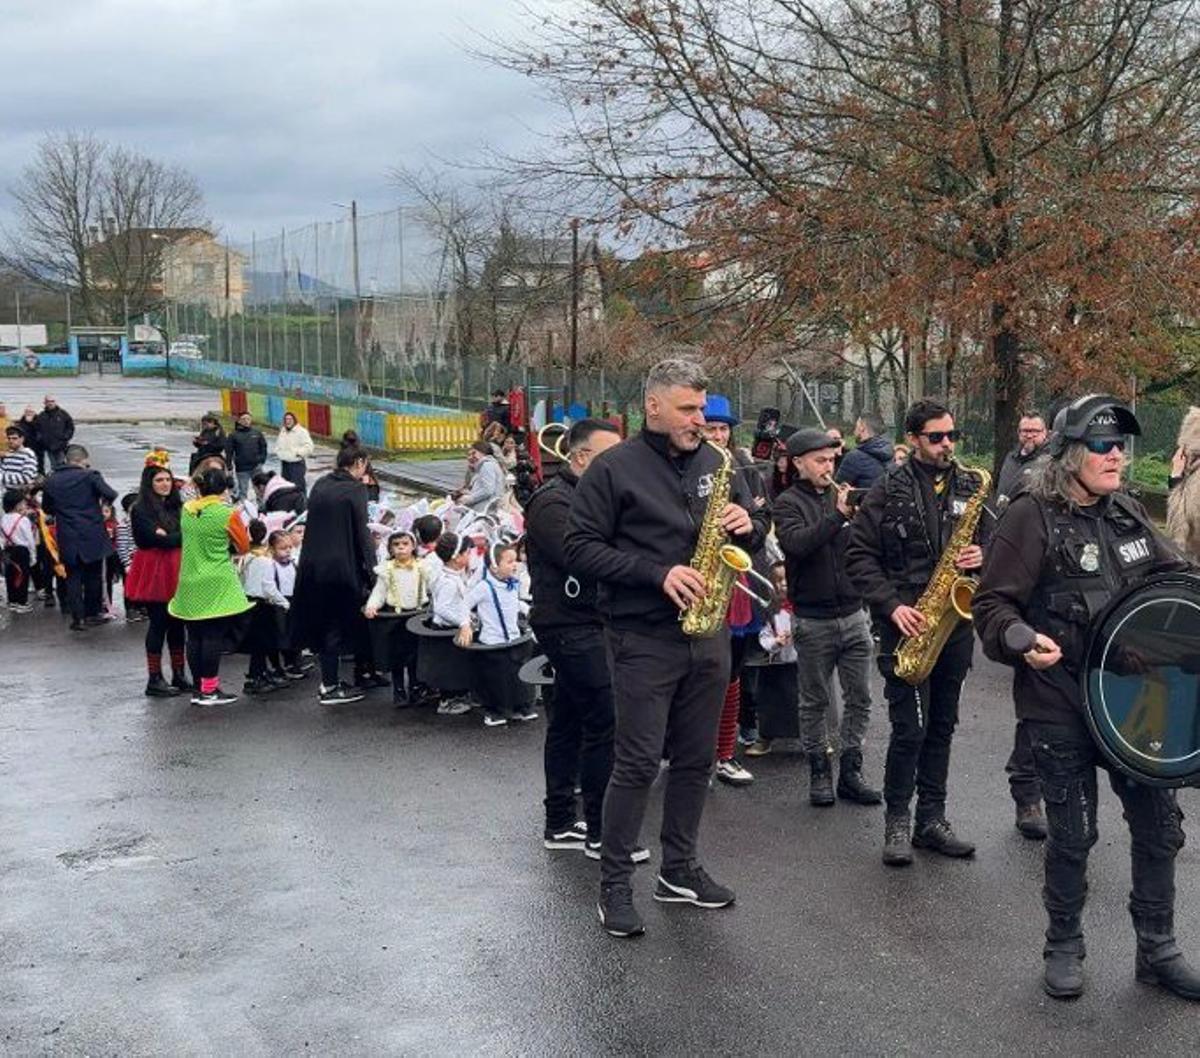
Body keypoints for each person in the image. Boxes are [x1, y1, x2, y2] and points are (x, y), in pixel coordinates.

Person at [973, 394, 1200, 1002]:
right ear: (1071, 454)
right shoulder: (1031, 515)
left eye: (1122, 446)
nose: (1116, 456)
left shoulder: (1126, 510)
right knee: (1072, 835)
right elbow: (990, 606)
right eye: (1103, 445)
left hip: (1132, 702)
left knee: (1159, 830)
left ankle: (1158, 949)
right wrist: (1021, 639)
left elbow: (1172, 583)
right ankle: (1064, 946)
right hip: (1060, 700)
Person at [566, 357, 769, 939]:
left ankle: (679, 870)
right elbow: (579, 547)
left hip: (707, 634)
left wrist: (745, 525)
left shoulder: (717, 461)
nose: (699, 420)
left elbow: (756, 535)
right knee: (636, 763)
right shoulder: (613, 468)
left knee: (697, 758)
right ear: (652, 405)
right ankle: (613, 887)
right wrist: (657, 574)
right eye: (687, 408)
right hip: (643, 634)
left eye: (702, 408)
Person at [845, 398, 988, 866]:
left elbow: (996, 544)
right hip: (905, 623)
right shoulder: (886, 488)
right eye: (936, 437)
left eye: (952, 436)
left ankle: (932, 818)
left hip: (954, 624)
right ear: (913, 439)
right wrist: (893, 606)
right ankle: (898, 821)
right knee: (910, 729)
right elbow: (859, 558)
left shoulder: (970, 483)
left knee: (943, 726)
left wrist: (981, 557)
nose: (947, 444)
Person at [526, 418, 623, 852]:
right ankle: (601, 831)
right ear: (581, 457)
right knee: (606, 719)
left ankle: (561, 822)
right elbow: (582, 556)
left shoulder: (593, 496)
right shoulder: (552, 502)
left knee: (566, 720)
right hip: (568, 624)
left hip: (587, 620)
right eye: (610, 457)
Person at [775, 427, 881, 807]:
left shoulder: (844, 497)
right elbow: (798, 544)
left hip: (853, 613)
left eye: (832, 459)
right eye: (820, 460)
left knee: (860, 697)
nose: (828, 466)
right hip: (813, 618)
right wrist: (837, 517)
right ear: (798, 462)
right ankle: (819, 770)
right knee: (814, 701)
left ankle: (851, 770)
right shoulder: (787, 502)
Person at [702, 393, 770, 788]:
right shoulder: (685, 465)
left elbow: (763, 517)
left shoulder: (742, 464)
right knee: (698, 676)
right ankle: (690, 754)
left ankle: (725, 753)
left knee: (732, 671)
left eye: (723, 428)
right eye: (711, 427)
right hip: (697, 578)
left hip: (737, 580)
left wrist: (750, 522)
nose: (717, 435)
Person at [290, 444, 377, 706]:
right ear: (359, 463)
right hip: (341, 568)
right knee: (336, 627)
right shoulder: (355, 489)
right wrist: (374, 573)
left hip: (312, 565)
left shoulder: (321, 484)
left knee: (325, 623)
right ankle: (329, 686)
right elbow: (362, 534)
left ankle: (332, 680)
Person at [169, 466, 253, 706]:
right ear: (224, 489)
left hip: (188, 580)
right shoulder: (228, 513)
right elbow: (244, 547)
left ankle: (198, 687)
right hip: (216, 580)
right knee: (212, 637)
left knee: (194, 636)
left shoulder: (187, 510)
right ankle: (209, 690)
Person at [125, 458, 189, 696]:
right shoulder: (141, 508)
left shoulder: (176, 506)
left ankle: (179, 674)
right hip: (155, 571)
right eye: (159, 480)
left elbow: (178, 535)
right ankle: (154, 678)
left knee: (177, 624)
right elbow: (149, 539)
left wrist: (167, 536)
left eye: (168, 479)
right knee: (158, 624)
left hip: (175, 567)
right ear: (149, 482)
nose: (165, 484)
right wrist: (172, 537)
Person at [460, 540, 536, 727]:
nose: (515, 565)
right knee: (497, 680)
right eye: (509, 562)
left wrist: (527, 609)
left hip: (513, 638)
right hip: (493, 642)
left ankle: (521, 706)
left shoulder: (512, 584)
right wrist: (465, 625)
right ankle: (495, 711)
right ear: (494, 567)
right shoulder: (485, 587)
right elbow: (464, 604)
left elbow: (513, 603)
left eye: (515, 561)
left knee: (517, 676)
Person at [41, 444, 118, 631]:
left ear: (67, 459)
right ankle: (92, 614)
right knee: (93, 575)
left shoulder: (52, 479)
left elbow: (47, 508)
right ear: (83, 460)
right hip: (91, 531)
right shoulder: (90, 476)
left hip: (67, 533)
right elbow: (111, 493)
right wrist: (99, 504)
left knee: (73, 576)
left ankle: (78, 618)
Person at [364, 529, 429, 706]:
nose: (401, 548)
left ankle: (416, 688)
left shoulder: (422, 567)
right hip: (396, 617)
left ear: (413, 546)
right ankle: (399, 690)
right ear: (391, 549)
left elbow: (432, 588)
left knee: (416, 655)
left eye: (405, 544)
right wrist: (372, 606)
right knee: (397, 656)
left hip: (417, 616)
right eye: (397, 545)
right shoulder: (387, 570)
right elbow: (379, 591)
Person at [239, 519, 292, 695]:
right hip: (263, 605)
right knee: (262, 643)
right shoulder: (265, 560)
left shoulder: (246, 556)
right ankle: (256, 677)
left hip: (248, 601)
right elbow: (269, 587)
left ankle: (259, 673)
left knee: (257, 643)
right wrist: (284, 603)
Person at [995, 411, 1049, 509]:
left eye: (1034, 431)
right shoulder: (1010, 458)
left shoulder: (1050, 462)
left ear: (1044, 432)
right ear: (1018, 432)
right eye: (1025, 431)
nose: (1029, 436)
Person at [836, 411, 894, 489]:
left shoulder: (854, 457)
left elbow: (836, 489)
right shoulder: (891, 454)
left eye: (856, 427)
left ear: (862, 428)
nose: (854, 432)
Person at [1, 488, 37, 612]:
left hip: (8, 550)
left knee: (10, 576)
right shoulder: (23, 519)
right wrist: (33, 555)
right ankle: (22, 603)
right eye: (22, 503)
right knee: (23, 575)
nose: (24, 505)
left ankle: (12, 602)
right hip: (22, 550)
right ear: (16, 504)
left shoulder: (3, 518)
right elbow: (30, 540)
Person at [454, 442, 507, 513]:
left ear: (483, 452)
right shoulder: (487, 465)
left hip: (484, 510)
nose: (471, 457)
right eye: (469, 454)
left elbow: (488, 490)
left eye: (474, 453)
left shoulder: (486, 465)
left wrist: (469, 498)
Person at [226, 412, 268, 500]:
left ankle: (262, 509)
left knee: (260, 490)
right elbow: (229, 452)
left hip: (256, 467)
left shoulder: (257, 433)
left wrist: (262, 460)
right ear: (239, 421)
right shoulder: (233, 435)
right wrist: (229, 467)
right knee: (243, 491)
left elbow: (263, 447)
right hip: (242, 468)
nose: (246, 421)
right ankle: (243, 509)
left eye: (248, 419)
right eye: (243, 419)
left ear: (251, 420)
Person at [275, 411, 315, 494]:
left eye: (290, 419)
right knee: (286, 486)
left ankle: (302, 504)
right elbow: (278, 445)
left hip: (297, 464)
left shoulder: (301, 431)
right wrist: (279, 454)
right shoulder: (282, 432)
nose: (288, 421)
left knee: (298, 487)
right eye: (286, 419)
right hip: (285, 464)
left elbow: (309, 447)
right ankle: (289, 505)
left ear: (294, 420)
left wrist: (298, 453)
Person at [34, 395, 74, 471]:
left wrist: (65, 437)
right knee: (53, 465)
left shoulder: (63, 414)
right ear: (45, 403)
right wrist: (41, 439)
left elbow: (70, 427)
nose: (50, 403)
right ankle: (56, 479)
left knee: (62, 464)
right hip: (49, 446)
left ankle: (64, 479)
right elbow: (37, 429)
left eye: (52, 401)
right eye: (48, 401)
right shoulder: (41, 416)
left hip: (61, 445)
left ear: (55, 402)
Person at [14, 406, 43, 473]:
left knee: (39, 467)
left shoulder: (39, 421)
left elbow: (41, 434)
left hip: (37, 449)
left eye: (31, 412)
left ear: (34, 413)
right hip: (24, 448)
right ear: (24, 413)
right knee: (24, 466)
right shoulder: (21, 422)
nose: (29, 413)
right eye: (27, 412)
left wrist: (31, 423)